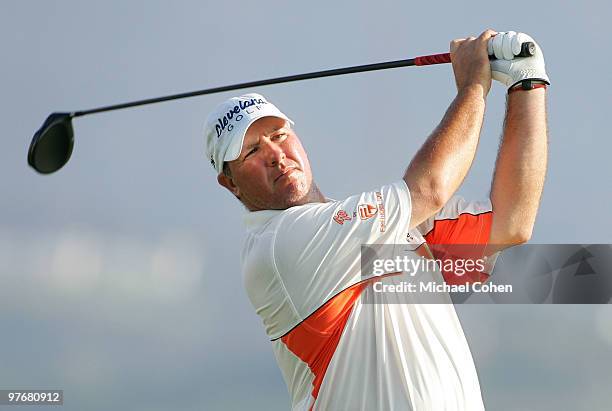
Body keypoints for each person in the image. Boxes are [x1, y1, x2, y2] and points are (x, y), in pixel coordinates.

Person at [205, 29, 548, 410]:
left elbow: (512, 222)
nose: (275, 153)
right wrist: (472, 85)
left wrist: (527, 82)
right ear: (230, 183)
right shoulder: (277, 245)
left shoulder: (384, 225)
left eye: (279, 134)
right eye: (252, 149)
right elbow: (429, 189)